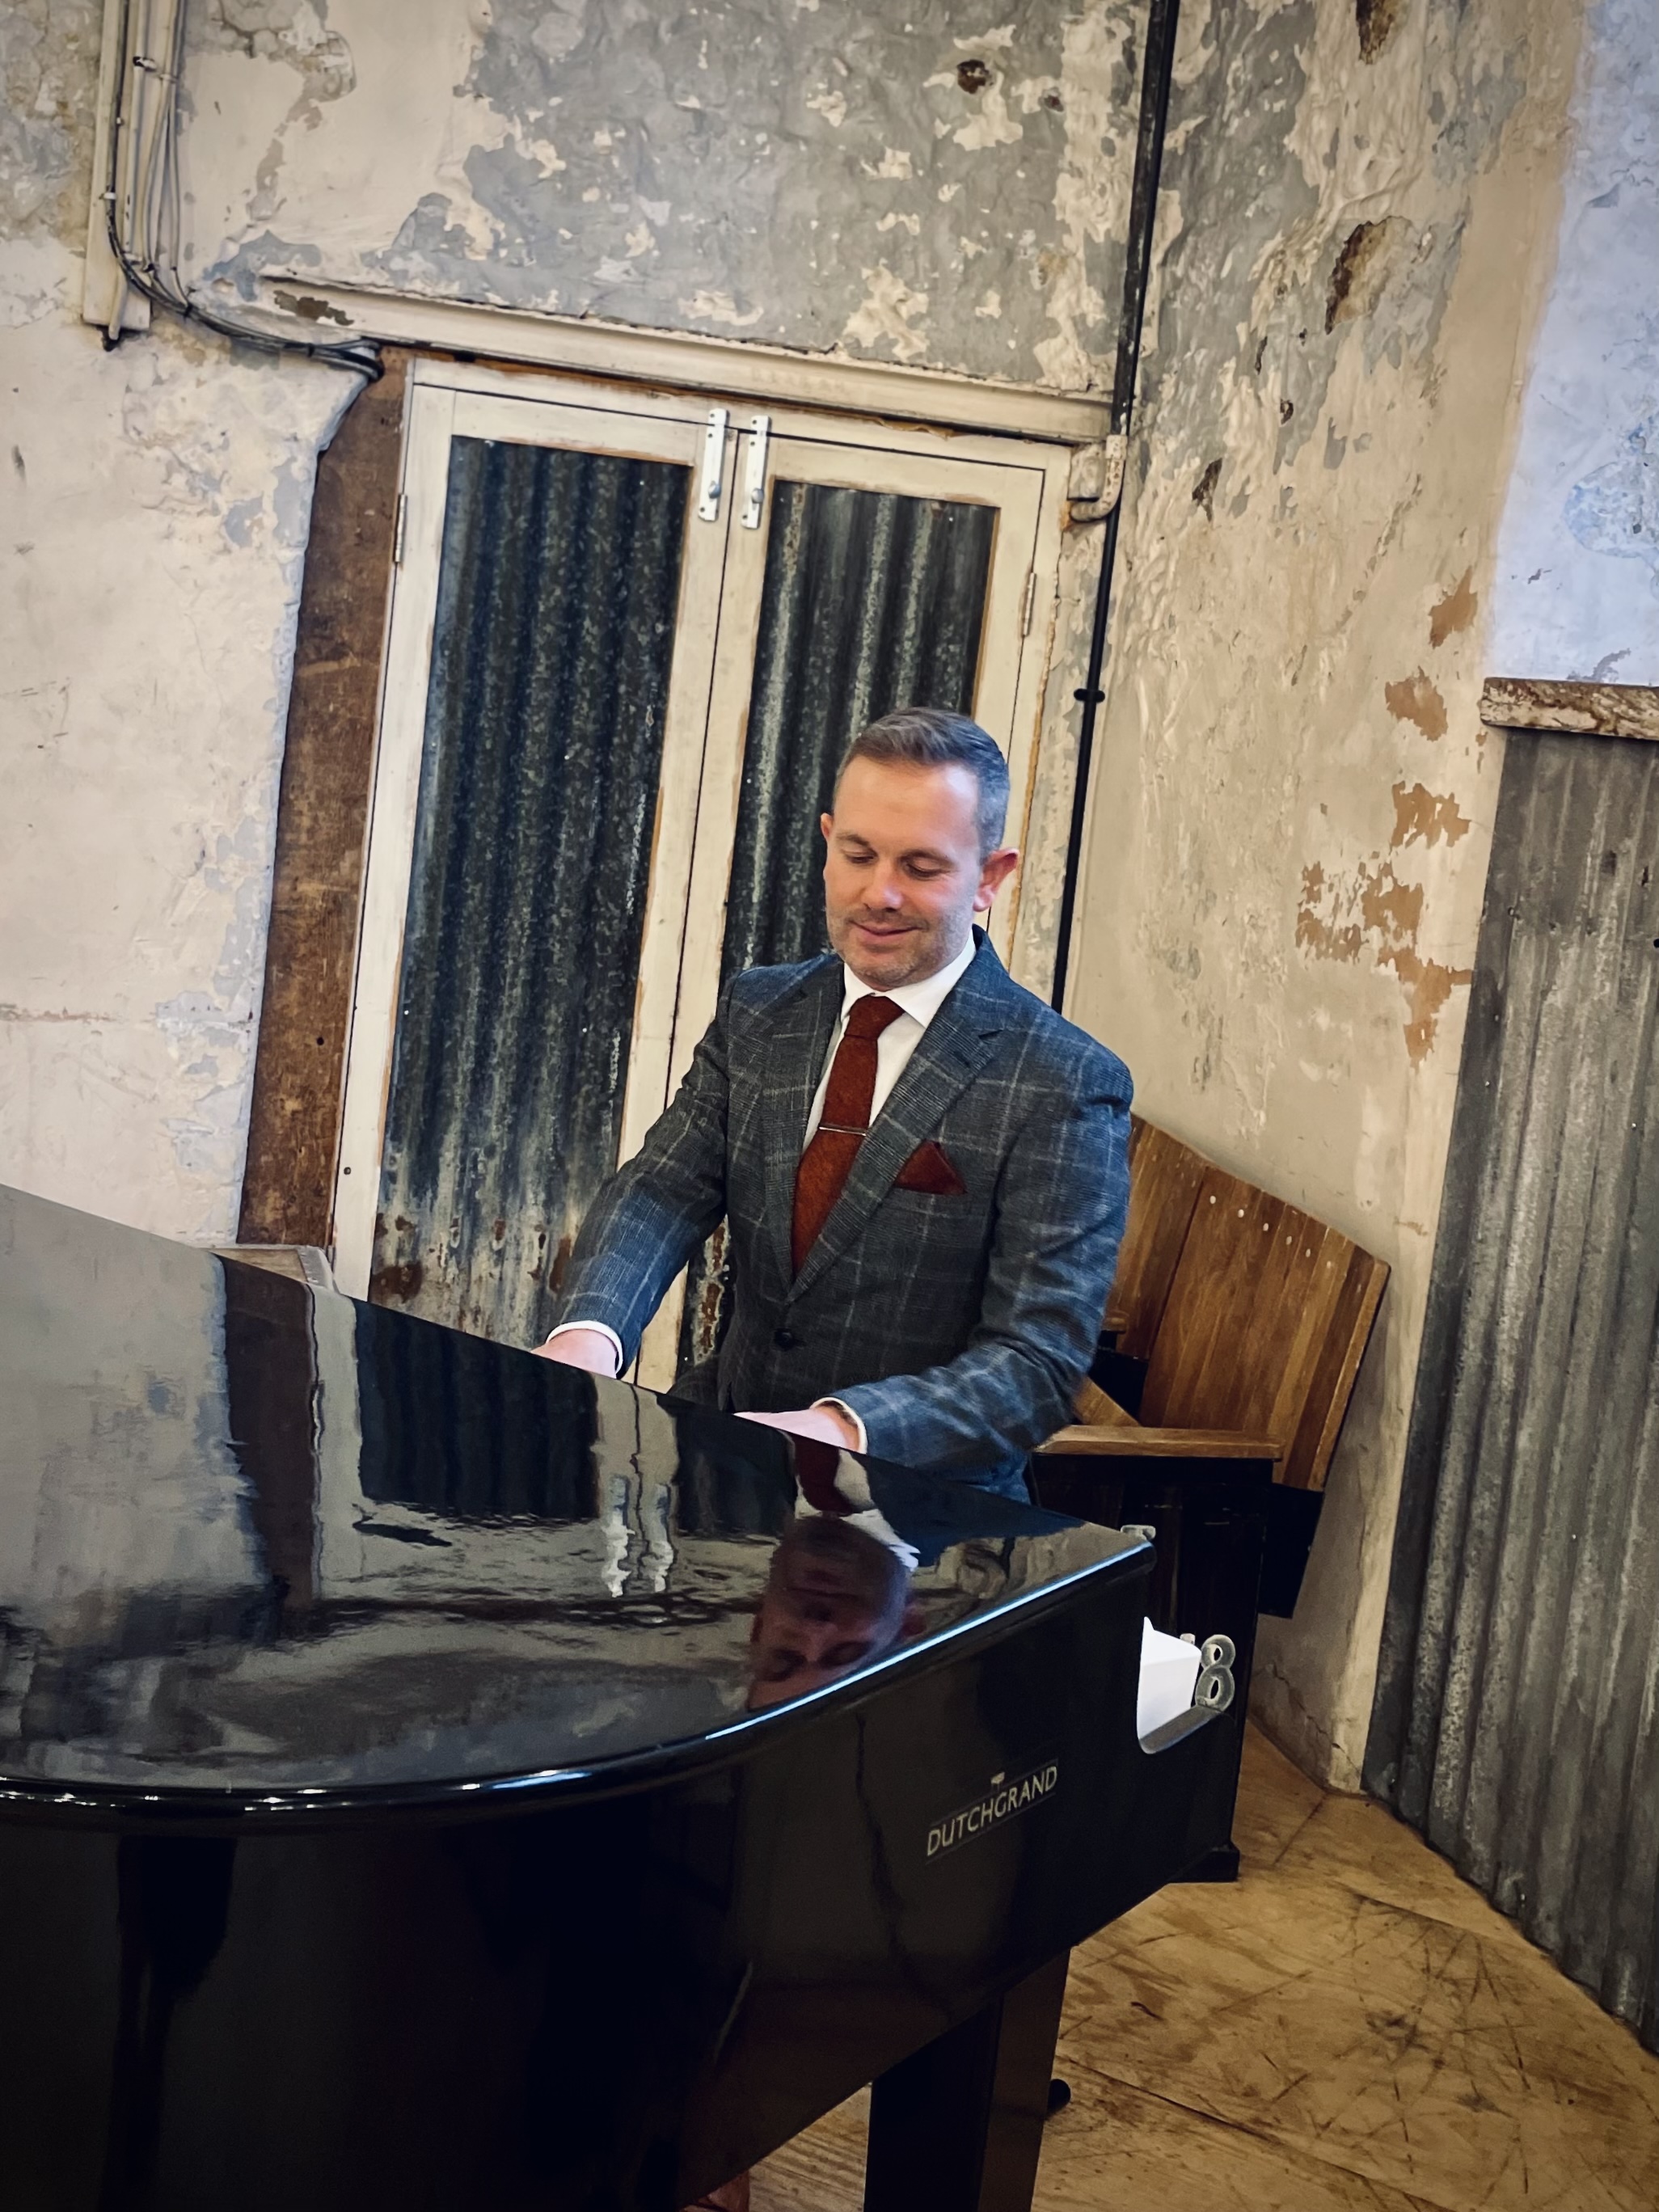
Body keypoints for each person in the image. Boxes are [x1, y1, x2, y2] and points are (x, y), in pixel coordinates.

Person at [535, 706, 1132, 1492]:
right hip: (725, 1457)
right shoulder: (760, 1011)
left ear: (990, 878)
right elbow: (660, 1192)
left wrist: (840, 1429)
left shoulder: (1063, 1080)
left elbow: (1035, 1364)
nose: (878, 894)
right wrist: (587, 1337)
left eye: (921, 867)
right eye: (858, 855)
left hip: (920, 1513)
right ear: (827, 846)